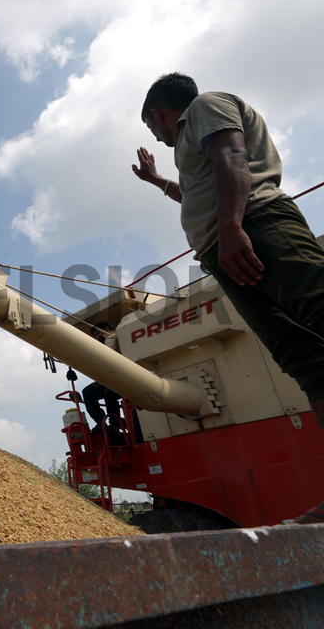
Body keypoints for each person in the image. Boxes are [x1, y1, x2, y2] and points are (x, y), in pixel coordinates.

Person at [132, 72, 324, 524]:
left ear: (158, 114)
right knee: (306, 362)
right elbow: (198, 190)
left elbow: (231, 156)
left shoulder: (205, 106)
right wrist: (159, 182)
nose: (155, 136)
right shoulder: (188, 144)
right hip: (227, 248)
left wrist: (233, 227)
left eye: (151, 126)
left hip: (257, 225)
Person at [81, 323, 122, 434]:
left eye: (98, 333)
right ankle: (114, 425)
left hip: (119, 377)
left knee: (88, 393)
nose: (97, 337)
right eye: (95, 335)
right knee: (109, 392)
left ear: (107, 329)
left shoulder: (111, 336)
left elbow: (107, 355)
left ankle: (101, 423)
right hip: (115, 377)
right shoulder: (110, 339)